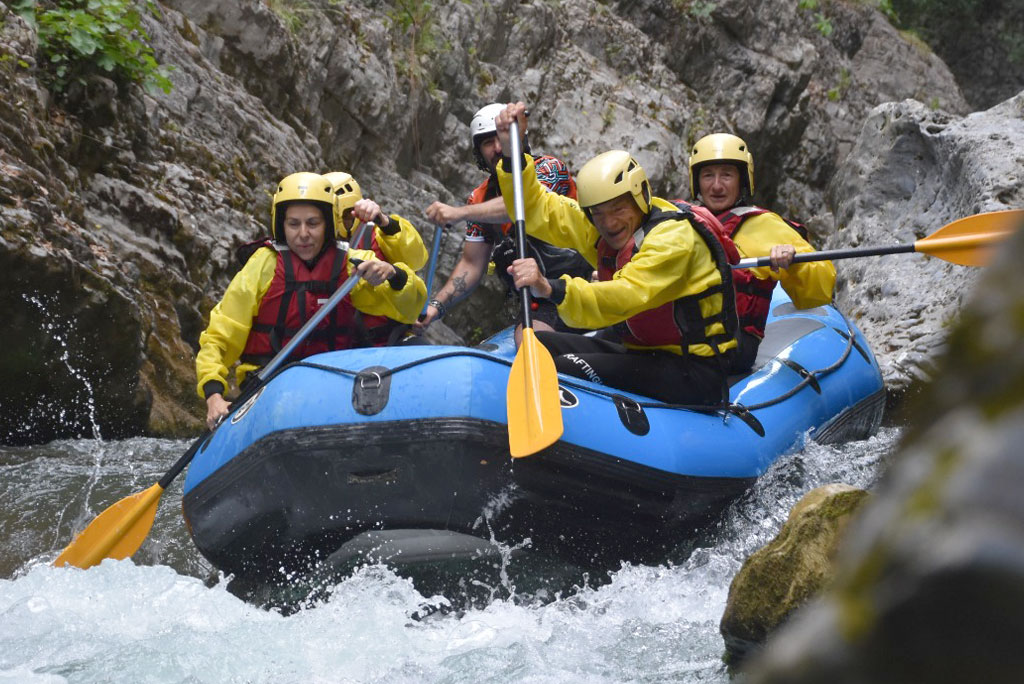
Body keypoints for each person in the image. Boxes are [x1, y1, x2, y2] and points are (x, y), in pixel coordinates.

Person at [494, 102, 739, 406]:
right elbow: (536, 210)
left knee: (566, 368)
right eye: (598, 214)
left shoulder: (673, 238)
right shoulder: (600, 228)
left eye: (618, 210)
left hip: (694, 370)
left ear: (641, 197)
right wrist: (512, 152)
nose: (609, 223)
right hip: (643, 353)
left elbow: (626, 295)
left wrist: (550, 288)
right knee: (538, 345)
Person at [196, 172, 426, 428]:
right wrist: (214, 394)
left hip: (335, 388)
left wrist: (394, 275)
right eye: (293, 224)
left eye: (313, 223)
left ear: (328, 223)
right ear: (280, 225)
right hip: (270, 387)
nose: (303, 234)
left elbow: (410, 306)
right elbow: (220, 335)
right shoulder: (263, 265)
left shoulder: (351, 263)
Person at [416, 103, 592, 343]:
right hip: (541, 300)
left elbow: (521, 205)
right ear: (479, 152)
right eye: (488, 143)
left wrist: (459, 213)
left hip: (583, 281)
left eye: (502, 138)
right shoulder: (478, 198)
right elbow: (471, 264)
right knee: (529, 341)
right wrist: (436, 306)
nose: (498, 148)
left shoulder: (549, 169)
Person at [689, 133, 836, 372]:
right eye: (708, 175)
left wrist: (794, 263)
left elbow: (820, 292)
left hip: (734, 346)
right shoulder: (684, 223)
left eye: (726, 174)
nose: (716, 185)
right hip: (686, 337)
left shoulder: (767, 225)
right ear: (696, 181)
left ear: (742, 180)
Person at [324, 171, 428, 271]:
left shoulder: (375, 236)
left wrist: (386, 223)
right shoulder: (315, 243)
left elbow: (416, 261)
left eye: (344, 216)